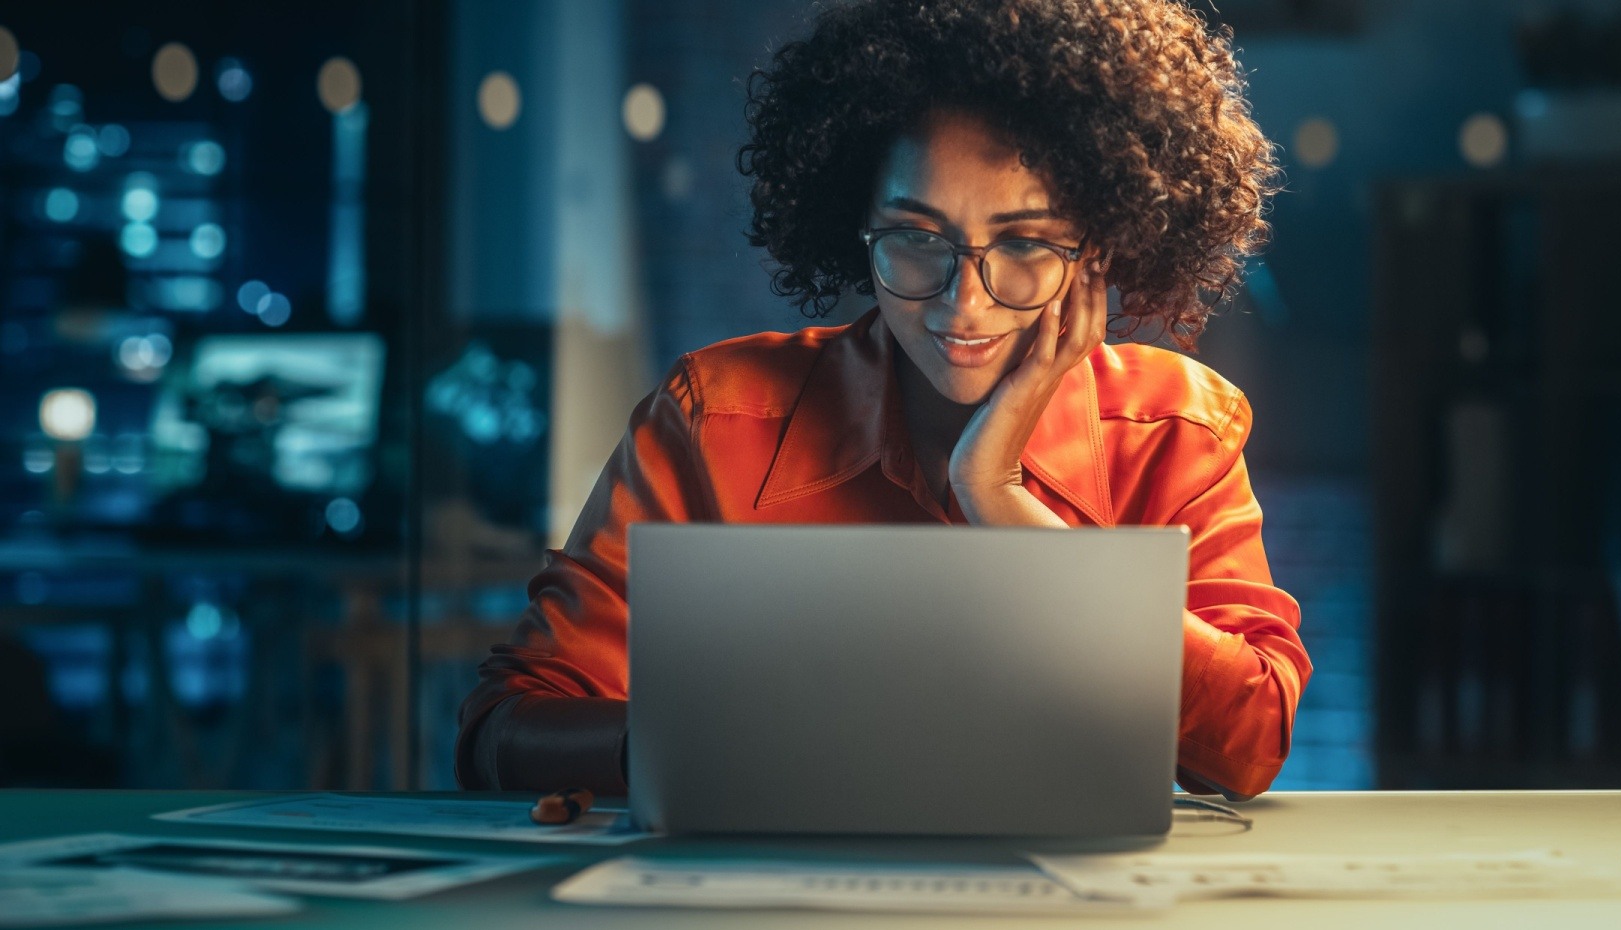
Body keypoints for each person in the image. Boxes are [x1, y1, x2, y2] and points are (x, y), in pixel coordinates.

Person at [458, 0, 1310, 802]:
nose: (961, 303)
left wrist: (1001, 501)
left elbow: (1251, 744)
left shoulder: (1170, 429)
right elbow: (504, 728)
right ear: (856, 224)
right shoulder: (715, 418)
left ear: (1097, 252)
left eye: (1022, 243)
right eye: (915, 238)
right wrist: (715, 747)